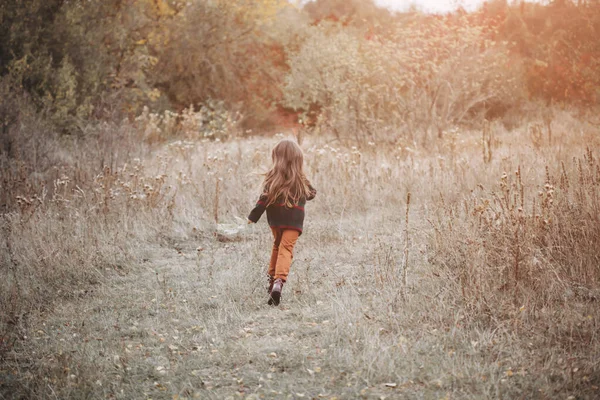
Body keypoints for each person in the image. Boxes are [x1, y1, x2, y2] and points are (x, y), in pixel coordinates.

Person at [248, 139, 316, 306]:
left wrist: (252, 217)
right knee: (286, 248)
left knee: (277, 246)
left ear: (276, 158)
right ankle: (279, 282)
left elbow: (263, 200)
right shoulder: (300, 179)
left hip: (276, 221)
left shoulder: (272, 178)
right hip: (294, 222)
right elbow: (312, 194)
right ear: (297, 159)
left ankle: (271, 281)